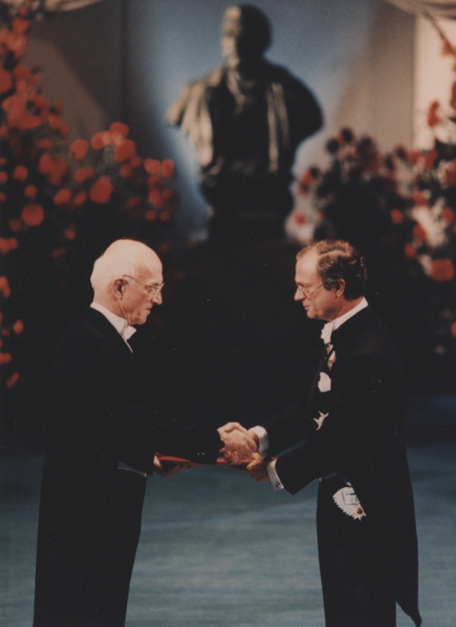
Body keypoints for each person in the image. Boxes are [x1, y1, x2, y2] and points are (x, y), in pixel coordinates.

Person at [32, 239, 256, 627]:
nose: (160, 300)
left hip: (91, 510)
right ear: (120, 287)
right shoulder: (92, 342)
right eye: (153, 289)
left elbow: (106, 427)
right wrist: (218, 443)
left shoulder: (95, 337)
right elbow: (138, 422)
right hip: (89, 518)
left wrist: (151, 458)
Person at [242, 239, 422, 627]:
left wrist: (274, 470)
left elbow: (341, 438)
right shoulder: (346, 333)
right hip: (344, 493)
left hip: (365, 505)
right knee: (343, 607)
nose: (296, 296)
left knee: (361, 610)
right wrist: (259, 436)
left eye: (304, 287)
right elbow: (315, 408)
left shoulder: (365, 352)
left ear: (337, 287)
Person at [166, 4, 322, 241]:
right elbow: (175, 116)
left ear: (261, 39)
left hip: (271, 192)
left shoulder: (289, 91)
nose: (235, 41)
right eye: (228, 33)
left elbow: (313, 119)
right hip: (221, 191)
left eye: (244, 33)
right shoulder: (198, 92)